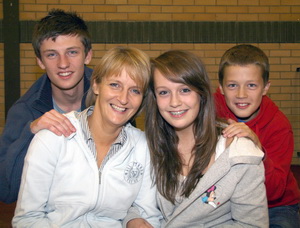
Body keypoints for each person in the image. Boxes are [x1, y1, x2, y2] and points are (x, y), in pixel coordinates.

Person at [12, 46, 161, 227]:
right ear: (96, 84)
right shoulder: (52, 138)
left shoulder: (143, 148)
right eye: (115, 85)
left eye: (135, 90)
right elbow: (27, 219)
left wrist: (136, 220)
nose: (123, 99)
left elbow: (147, 213)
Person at [127, 50, 268, 227]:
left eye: (185, 90)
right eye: (163, 92)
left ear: (202, 94)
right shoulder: (148, 147)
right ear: (154, 99)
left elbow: (252, 225)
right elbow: (134, 203)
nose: (174, 102)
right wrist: (134, 220)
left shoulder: (239, 154)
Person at [0, 9, 93, 203]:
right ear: (40, 61)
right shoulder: (24, 111)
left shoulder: (111, 99)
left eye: (72, 52)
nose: (63, 64)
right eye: (52, 55)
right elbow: (6, 191)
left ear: (88, 56)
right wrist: (31, 131)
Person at [214, 44, 300, 227]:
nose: (241, 94)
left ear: (265, 87)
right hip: (227, 200)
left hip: (276, 205)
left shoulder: (279, 126)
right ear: (221, 87)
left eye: (251, 85)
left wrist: (258, 150)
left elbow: (275, 191)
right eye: (232, 85)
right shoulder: (210, 111)